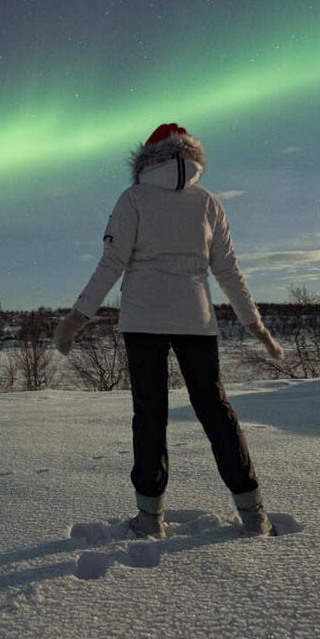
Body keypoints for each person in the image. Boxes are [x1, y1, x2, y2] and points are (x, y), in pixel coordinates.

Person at [54, 122, 285, 538]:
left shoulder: (133, 198)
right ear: (191, 155)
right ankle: (254, 514)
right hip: (195, 320)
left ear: (147, 156)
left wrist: (77, 317)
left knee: (150, 415)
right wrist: (254, 323)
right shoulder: (208, 202)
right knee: (216, 411)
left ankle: (149, 518)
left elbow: (111, 263)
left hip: (143, 322)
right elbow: (228, 270)